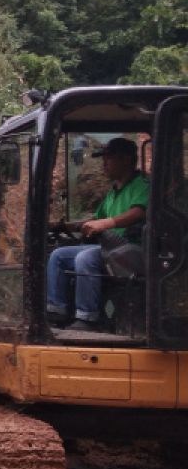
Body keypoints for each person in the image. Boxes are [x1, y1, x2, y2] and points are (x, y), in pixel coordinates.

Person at [46, 137, 148, 330]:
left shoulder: (142, 184)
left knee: (86, 257)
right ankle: (56, 311)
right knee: (58, 255)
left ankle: (86, 318)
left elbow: (139, 211)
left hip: (134, 249)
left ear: (125, 159)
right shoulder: (114, 191)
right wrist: (63, 226)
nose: (104, 164)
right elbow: (95, 219)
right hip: (110, 248)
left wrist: (107, 223)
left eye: (108, 159)